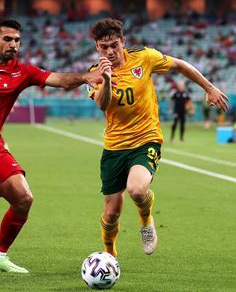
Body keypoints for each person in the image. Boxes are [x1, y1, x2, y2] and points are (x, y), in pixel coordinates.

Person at [88, 18, 228, 257]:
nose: (110, 51)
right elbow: (102, 104)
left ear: (122, 41)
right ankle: (109, 256)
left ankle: (146, 221)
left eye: (114, 44)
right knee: (111, 214)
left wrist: (208, 87)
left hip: (146, 138)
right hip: (114, 146)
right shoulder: (94, 74)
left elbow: (181, 65)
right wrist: (108, 79)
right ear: (97, 48)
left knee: (137, 190)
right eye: (104, 47)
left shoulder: (144, 57)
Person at [0, 19, 102, 273]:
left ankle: (0, 254)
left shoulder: (22, 72)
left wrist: (85, 76)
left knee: (23, 198)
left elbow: (60, 80)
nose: (14, 44)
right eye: (7, 39)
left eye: (17, 40)